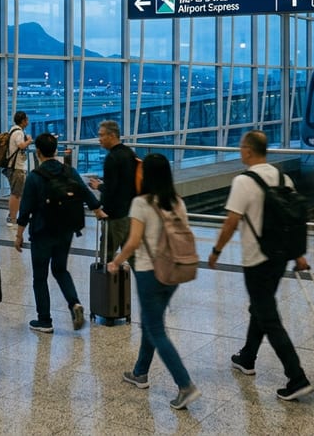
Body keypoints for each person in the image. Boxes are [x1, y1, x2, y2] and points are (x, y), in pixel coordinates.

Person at [208, 130, 313, 401]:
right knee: (261, 306)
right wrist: (298, 255)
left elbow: (231, 221)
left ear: (248, 150)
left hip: (256, 260)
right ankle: (247, 357)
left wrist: (216, 251)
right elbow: (294, 220)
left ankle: (297, 377)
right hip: (278, 257)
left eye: (242, 147)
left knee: (268, 316)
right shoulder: (283, 177)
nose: (240, 151)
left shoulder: (243, 181)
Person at [107, 153, 200, 410]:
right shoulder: (177, 202)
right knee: (152, 321)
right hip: (174, 271)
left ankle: (185, 385)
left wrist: (116, 262)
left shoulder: (141, 203)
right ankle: (140, 372)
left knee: (156, 329)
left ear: (146, 176)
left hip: (150, 272)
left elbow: (134, 241)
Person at [16, 132, 100, 334]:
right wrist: (98, 209)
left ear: (38, 152)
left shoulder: (35, 176)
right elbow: (86, 194)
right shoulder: (69, 171)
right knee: (60, 269)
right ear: (55, 150)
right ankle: (74, 304)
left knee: (40, 276)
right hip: (65, 230)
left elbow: (25, 208)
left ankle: (44, 320)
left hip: (42, 232)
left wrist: (19, 234)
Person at [88, 120, 138, 263]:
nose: (99, 139)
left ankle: (106, 285)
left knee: (106, 257)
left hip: (114, 216)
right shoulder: (129, 153)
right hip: (130, 212)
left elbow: (111, 190)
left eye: (102, 135)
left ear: (112, 135)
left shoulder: (112, 158)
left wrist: (98, 187)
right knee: (132, 256)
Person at [2, 111, 31, 227]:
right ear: (23, 121)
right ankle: (12, 218)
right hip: (16, 167)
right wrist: (29, 140)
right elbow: (21, 145)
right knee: (16, 193)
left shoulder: (13, 130)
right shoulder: (18, 132)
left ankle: (13, 216)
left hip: (13, 167)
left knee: (18, 192)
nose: (28, 122)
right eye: (27, 119)